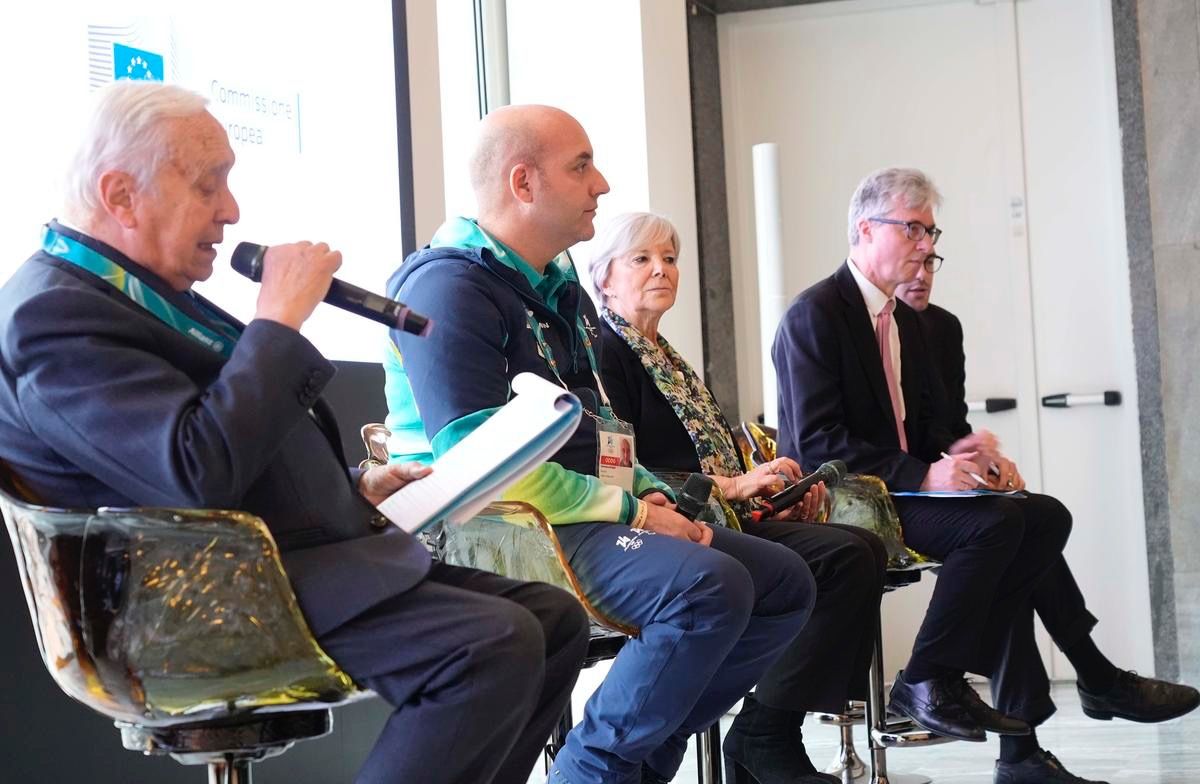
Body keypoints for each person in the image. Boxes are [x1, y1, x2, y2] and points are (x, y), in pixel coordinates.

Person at [0, 80, 592, 784]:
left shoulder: (136, 295)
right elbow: (192, 471)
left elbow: (223, 450)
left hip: (272, 566)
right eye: (208, 185)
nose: (231, 210)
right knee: (488, 643)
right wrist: (277, 320)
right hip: (186, 602)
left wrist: (353, 487)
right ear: (121, 195)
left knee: (552, 621)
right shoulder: (52, 316)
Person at [383, 105, 816, 784]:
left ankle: (635, 767)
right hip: (498, 521)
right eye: (581, 166)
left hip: (580, 506)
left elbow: (600, 433)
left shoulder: (560, 291)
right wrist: (634, 512)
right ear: (523, 183)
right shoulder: (448, 285)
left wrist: (652, 493)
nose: (602, 184)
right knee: (709, 587)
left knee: (783, 582)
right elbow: (479, 465)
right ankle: (592, 770)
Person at [774, 166, 1101, 783]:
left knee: (1041, 514)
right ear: (865, 229)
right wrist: (925, 475)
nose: (926, 244)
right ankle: (933, 678)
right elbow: (819, 445)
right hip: (847, 501)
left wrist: (968, 458)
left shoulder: (904, 319)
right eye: (913, 229)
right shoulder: (814, 314)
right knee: (996, 528)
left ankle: (948, 682)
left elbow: (925, 432)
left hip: (901, 489)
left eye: (930, 232)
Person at [591, 211, 886, 784]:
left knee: (861, 548)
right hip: (664, 527)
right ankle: (764, 736)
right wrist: (732, 487)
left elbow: (710, 460)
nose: (661, 270)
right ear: (604, 278)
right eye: (642, 259)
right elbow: (622, 471)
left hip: (720, 513)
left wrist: (765, 489)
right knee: (843, 558)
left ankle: (767, 732)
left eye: (670, 259)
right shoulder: (608, 353)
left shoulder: (666, 358)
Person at [895, 253, 1200, 777]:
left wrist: (976, 456)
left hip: (942, 492)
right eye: (911, 261)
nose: (922, 275)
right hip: (898, 495)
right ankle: (1088, 683)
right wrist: (936, 468)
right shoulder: (866, 329)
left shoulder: (942, 327)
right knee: (1012, 535)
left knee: (1023, 526)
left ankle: (1039, 737)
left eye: (931, 261)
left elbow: (942, 428)